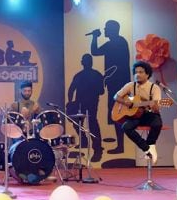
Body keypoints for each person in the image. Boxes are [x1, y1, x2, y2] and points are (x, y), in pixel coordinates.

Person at [90, 20, 130, 155]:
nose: (105, 30)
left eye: (106, 28)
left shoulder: (116, 43)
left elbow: (95, 52)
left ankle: (121, 146)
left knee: (117, 114)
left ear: (113, 29)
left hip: (119, 85)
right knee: (115, 114)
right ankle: (120, 145)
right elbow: (96, 52)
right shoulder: (118, 42)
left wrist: (95, 37)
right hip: (117, 84)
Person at [113, 61, 161, 164]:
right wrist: (127, 103)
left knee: (157, 124)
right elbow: (116, 96)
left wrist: (155, 106)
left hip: (149, 113)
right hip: (135, 115)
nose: (137, 74)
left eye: (141, 72)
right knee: (126, 127)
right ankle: (146, 148)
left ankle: (151, 144)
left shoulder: (154, 88)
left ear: (147, 74)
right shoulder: (130, 85)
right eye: (136, 72)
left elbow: (156, 107)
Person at [67, 53, 105, 162]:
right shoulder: (82, 75)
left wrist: (97, 85)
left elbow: (101, 91)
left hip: (92, 104)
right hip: (80, 104)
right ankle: (84, 140)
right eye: (85, 60)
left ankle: (97, 150)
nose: (86, 62)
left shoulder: (96, 75)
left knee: (92, 124)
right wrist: (70, 102)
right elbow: (71, 89)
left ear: (83, 62)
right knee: (77, 122)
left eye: (87, 60)